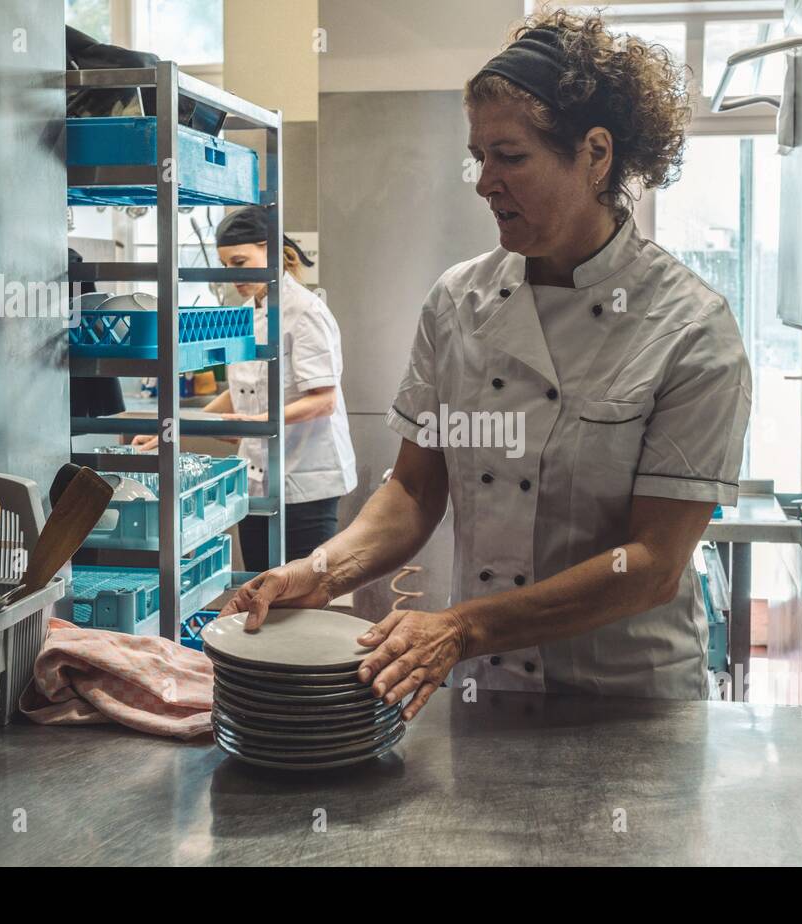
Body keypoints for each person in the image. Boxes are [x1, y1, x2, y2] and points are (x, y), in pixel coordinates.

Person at [222, 9, 752, 720]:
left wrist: (465, 626)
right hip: (489, 688)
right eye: (479, 156)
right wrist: (315, 573)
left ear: (595, 155)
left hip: (627, 705)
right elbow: (413, 492)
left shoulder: (688, 326)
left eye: (510, 156)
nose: (483, 183)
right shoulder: (458, 302)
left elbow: (653, 564)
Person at [135, 206, 357, 570]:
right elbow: (240, 390)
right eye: (226, 267)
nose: (233, 276)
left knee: (301, 592)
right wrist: (175, 429)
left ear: (269, 250)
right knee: (260, 583)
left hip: (306, 481)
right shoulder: (247, 313)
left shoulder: (305, 311)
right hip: (254, 477)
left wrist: (254, 423)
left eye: (240, 262)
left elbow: (324, 400)